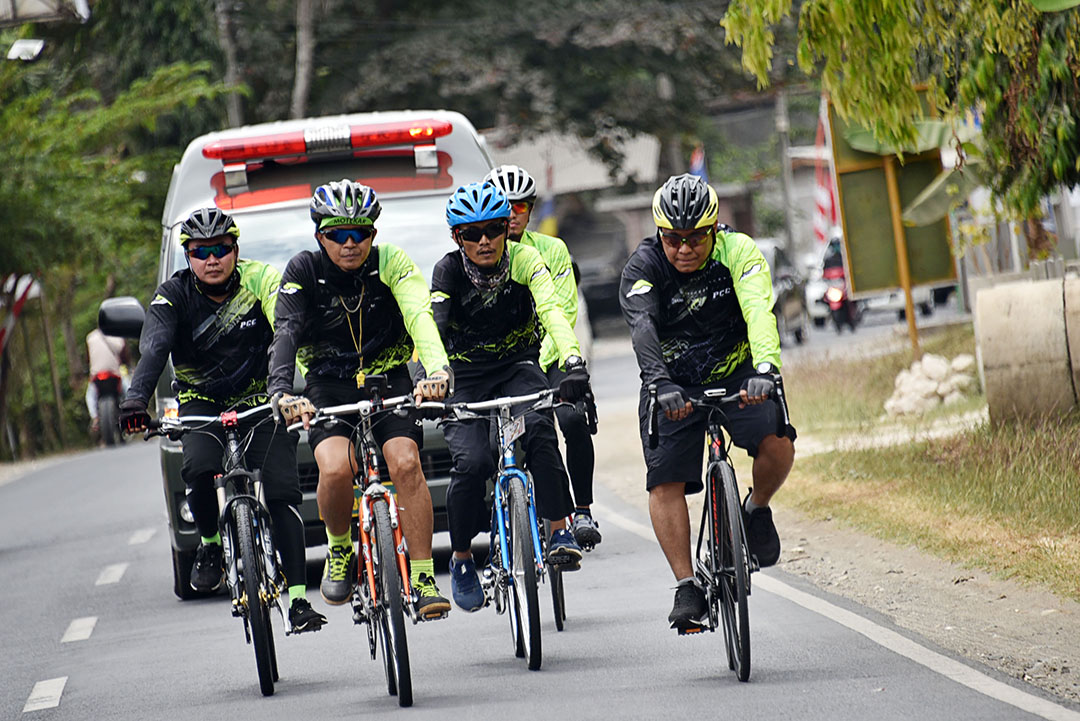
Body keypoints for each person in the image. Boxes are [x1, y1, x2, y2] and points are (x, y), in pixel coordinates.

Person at [118, 207, 326, 634]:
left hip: (262, 398)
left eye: (221, 249)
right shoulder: (172, 296)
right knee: (195, 467)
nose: (212, 259)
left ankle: (301, 599)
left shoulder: (262, 280)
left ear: (236, 250)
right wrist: (137, 399)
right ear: (188, 256)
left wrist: (287, 392)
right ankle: (211, 545)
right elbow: (155, 347)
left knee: (284, 492)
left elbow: (285, 326)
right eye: (200, 251)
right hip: (201, 400)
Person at [266, 179, 453, 620]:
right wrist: (280, 389)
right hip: (328, 385)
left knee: (405, 462)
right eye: (337, 235)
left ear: (373, 234)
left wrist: (437, 371)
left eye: (360, 234)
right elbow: (286, 332)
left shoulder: (392, 263)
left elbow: (418, 316)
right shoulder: (303, 272)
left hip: (389, 378)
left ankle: (423, 576)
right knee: (334, 467)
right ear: (319, 236)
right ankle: (339, 547)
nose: (350, 244)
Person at [619, 174, 797, 631]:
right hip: (673, 385)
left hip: (739, 375)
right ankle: (685, 586)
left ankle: (756, 508)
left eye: (696, 237)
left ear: (714, 229)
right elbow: (643, 329)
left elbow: (759, 309)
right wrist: (660, 383)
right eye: (674, 239)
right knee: (665, 483)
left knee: (778, 441)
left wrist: (765, 370)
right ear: (660, 234)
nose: (684, 248)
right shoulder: (642, 268)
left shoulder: (739, 252)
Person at [431, 181, 592, 613]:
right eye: (471, 233)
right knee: (472, 463)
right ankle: (463, 559)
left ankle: (559, 529)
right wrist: (429, 377)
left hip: (518, 365)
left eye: (493, 230)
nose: (484, 241)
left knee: (540, 429)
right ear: (457, 238)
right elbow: (433, 330)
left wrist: (572, 360)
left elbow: (552, 311)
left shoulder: (525, 259)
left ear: (507, 229)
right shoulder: (447, 271)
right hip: (463, 375)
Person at [483, 165, 601, 549]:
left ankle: (580, 511)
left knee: (571, 416)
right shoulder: (479, 253)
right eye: (505, 207)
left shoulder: (553, 250)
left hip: (547, 357)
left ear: (530, 210)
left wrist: (558, 367)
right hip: (504, 363)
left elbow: (562, 312)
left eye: (521, 207)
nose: (513, 214)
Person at [85, 327, 129, 438]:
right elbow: (124, 357)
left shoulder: (90, 338)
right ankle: (131, 411)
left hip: (96, 377)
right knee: (129, 389)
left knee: (90, 396)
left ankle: (95, 418)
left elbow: (88, 359)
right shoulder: (118, 336)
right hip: (115, 375)